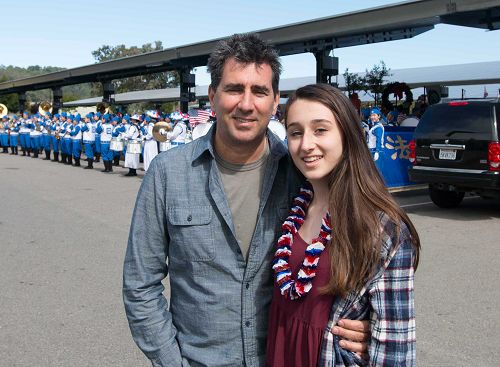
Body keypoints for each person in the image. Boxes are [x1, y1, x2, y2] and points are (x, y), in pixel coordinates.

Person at [123, 33, 368, 367]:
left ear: (275, 100)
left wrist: (367, 327)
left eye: (259, 91)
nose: (247, 104)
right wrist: (170, 361)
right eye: (234, 89)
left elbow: (353, 261)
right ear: (212, 95)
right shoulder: (167, 174)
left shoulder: (302, 175)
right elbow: (141, 285)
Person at [266, 84, 420, 366]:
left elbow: (396, 353)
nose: (306, 144)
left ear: (347, 134)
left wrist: (371, 339)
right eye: (295, 132)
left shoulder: (385, 229)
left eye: (320, 129)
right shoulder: (290, 206)